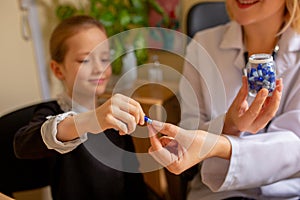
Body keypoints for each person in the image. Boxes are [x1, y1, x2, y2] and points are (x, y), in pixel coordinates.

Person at [148, 0, 300, 199]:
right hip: (215, 193)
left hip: (287, 193)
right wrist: (228, 125)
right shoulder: (203, 45)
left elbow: (295, 147)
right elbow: (189, 132)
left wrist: (218, 146)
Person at [14, 15, 149, 200]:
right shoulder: (51, 111)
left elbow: (134, 181)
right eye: (85, 60)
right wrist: (89, 120)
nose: (98, 68)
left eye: (105, 58)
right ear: (58, 70)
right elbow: (23, 144)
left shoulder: (115, 115)